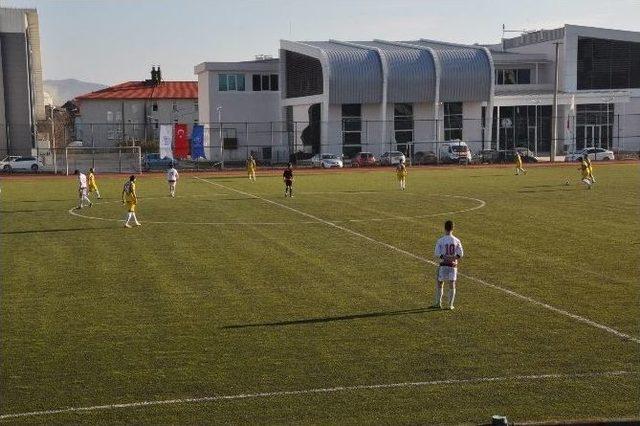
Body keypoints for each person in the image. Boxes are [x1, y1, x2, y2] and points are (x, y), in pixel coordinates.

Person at [432, 220, 464, 310]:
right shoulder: (457, 240)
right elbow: (460, 254)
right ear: (453, 228)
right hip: (453, 266)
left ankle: (438, 303)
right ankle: (450, 305)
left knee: (440, 283)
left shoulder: (440, 240)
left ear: (444, 228)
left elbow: (437, 253)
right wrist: (453, 259)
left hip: (443, 265)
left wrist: (445, 258)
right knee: (452, 283)